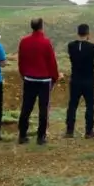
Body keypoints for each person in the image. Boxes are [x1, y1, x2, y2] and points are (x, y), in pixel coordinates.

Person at [17, 18, 59, 146]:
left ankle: (22, 135)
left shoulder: (24, 41)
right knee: (43, 108)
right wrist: (55, 77)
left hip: (29, 78)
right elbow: (52, 62)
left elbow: (21, 60)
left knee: (26, 107)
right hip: (44, 80)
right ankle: (41, 137)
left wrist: (24, 75)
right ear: (42, 27)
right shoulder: (46, 42)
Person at [65, 24, 94, 138]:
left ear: (78, 32)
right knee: (90, 105)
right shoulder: (92, 47)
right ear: (88, 33)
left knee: (72, 105)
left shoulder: (71, 46)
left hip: (75, 79)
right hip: (89, 79)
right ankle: (89, 131)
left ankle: (69, 131)